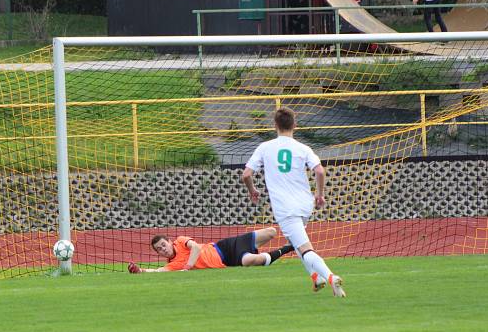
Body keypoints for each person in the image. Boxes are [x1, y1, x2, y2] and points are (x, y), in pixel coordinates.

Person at [241, 108, 347, 297]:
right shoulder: (303, 148)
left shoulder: (265, 147)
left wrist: (252, 190)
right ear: (294, 125)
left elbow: (246, 174)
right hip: (305, 205)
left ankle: (331, 277)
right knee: (295, 241)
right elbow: (320, 171)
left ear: (275, 126)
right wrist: (320, 194)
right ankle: (316, 277)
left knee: (305, 248)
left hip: (285, 208)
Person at [127, 227, 294, 273]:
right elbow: (158, 270)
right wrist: (140, 270)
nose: (163, 249)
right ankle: (288, 247)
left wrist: (189, 265)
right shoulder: (172, 265)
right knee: (250, 261)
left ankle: (292, 236)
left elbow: (196, 247)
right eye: (159, 249)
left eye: (163, 245)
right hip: (227, 260)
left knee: (271, 231)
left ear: (170, 242)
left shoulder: (180, 241)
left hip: (224, 246)